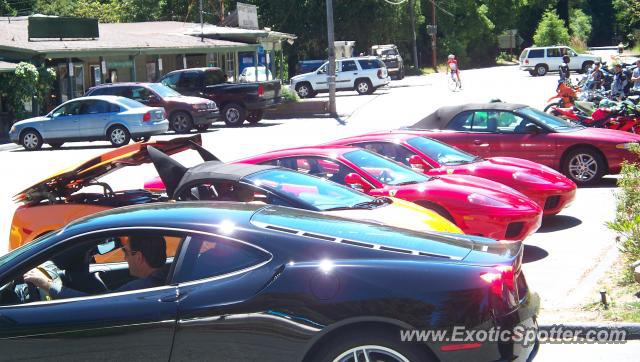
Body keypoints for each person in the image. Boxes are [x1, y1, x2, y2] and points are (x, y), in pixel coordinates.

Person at [24, 235, 167, 299]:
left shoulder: (142, 288)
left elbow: (94, 304)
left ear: (139, 257)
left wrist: (46, 284)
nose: (125, 258)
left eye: (126, 252)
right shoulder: (162, 277)